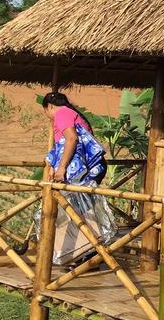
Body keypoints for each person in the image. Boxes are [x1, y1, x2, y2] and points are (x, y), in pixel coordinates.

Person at [38, 92, 116, 263]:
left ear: (50, 106)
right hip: (90, 169)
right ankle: (85, 254)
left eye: (46, 112)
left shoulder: (62, 114)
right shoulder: (74, 114)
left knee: (80, 212)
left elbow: (71, 139)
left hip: (82, 172)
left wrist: (62, 168)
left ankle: (88, 254)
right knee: (82, 210)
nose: (48, 117)